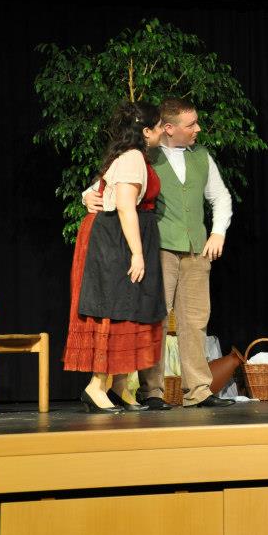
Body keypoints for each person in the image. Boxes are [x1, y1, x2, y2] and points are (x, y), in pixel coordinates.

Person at [85, 97, 234, 408]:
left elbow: (220, 196)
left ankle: (198, 391)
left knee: (195, 320)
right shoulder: (145, 155)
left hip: (195, 248)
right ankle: (152, 391)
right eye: (191, 124)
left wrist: (218, 231)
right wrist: (88, 197)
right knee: (155, 320)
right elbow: (106, 184)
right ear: (168, 128)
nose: (198, 129)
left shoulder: (201, 156)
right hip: (159, 248)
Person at [64, 101, 166, 413]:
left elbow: (103, 189)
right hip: (115, 239)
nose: (162, 131)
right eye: (158, 126)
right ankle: (95, 387)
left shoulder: (132, 155)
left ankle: (119, 386)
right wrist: (137, 253)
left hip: (120, 236)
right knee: (115, 308)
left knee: (131, 309)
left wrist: (88, 194)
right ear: (146, 131)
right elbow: (124, 204)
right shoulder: (133, 157)